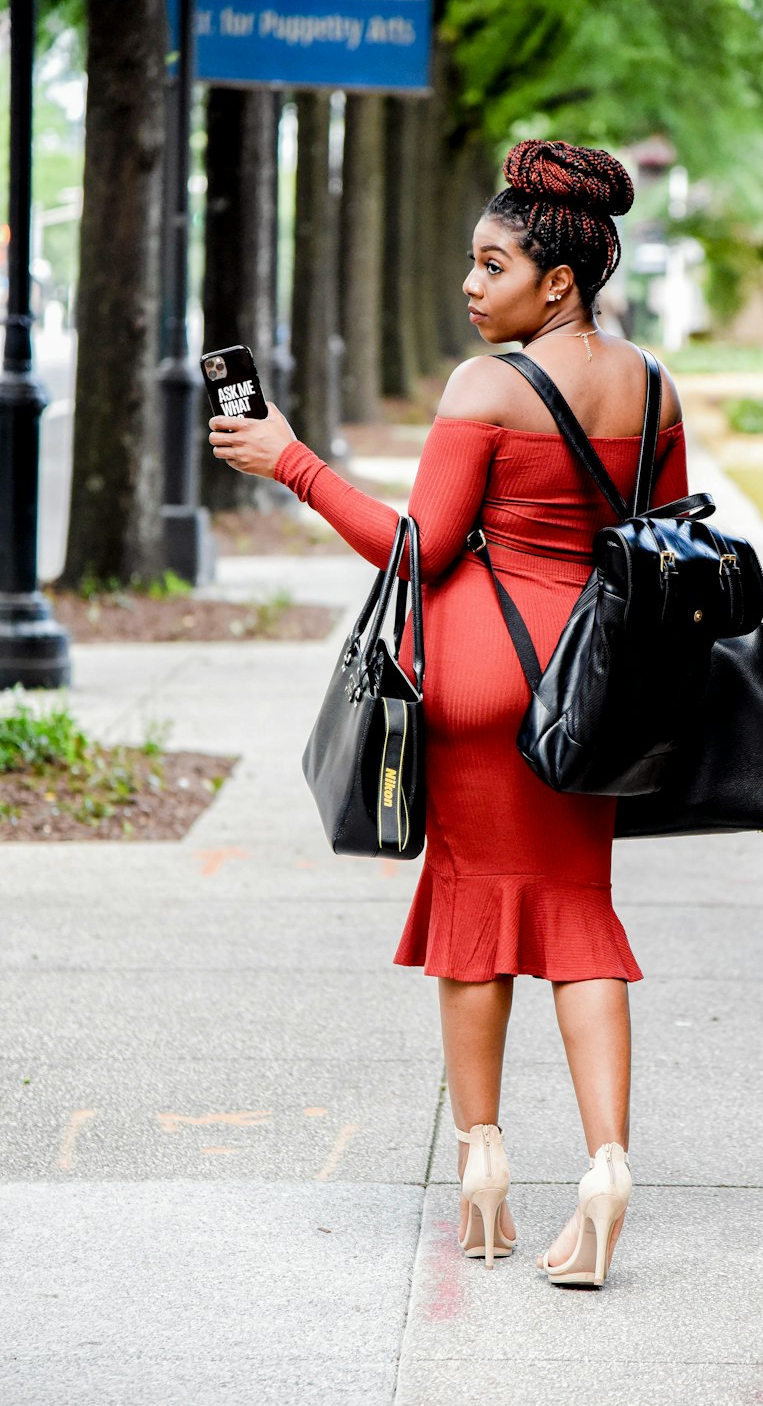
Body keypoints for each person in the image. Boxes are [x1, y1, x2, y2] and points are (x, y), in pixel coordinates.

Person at [208, 139, 688, 1289]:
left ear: (556, 281)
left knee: (474, 920)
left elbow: (417, 554)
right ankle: (608, 1168)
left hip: (480, 678)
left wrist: (292, 463)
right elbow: (660, 541)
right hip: (597, 689)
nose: (471, 287)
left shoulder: (486, 387)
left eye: (491, 265)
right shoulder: (652, 386)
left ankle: (481, 1172)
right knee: (578, 918)